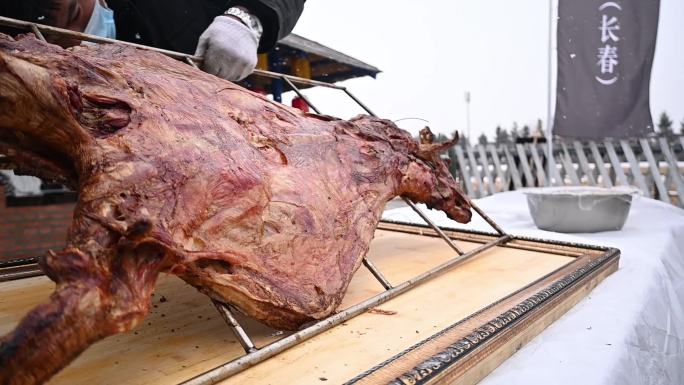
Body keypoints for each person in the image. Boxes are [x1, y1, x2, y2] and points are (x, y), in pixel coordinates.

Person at [0, 0, 305, 81]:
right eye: (57, 41)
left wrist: (247, 18)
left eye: (76, 13)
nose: (78, 32)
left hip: (225, 124)